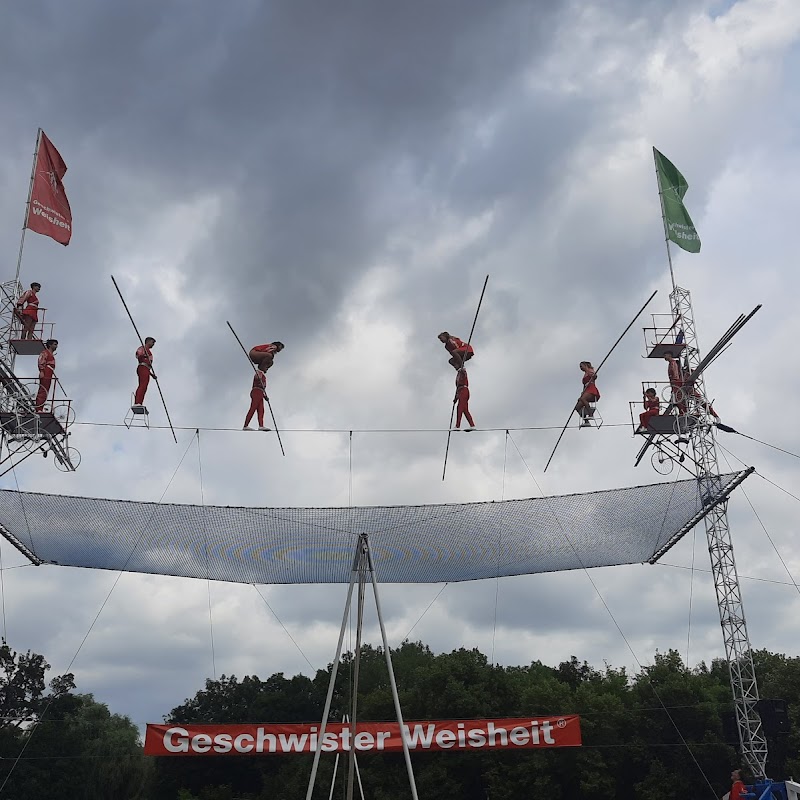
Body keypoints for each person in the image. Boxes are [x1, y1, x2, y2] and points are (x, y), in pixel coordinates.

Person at [133, 337, 156, 409]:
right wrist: (143, 355)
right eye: (152, 342)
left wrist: (152, 375)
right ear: (148, 341)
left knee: (144, 386)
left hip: (146, 369)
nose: (153, 344)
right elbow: (138, 355)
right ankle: (137, 402)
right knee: (142, 385)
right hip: (142, 367)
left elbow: (147, 365)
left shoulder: (148, 350)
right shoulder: (143, 348)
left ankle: (139, 402)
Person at [35, 339, 57, 412]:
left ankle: (41, 407)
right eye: (55, 344)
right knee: (43, 389)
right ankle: (38, 408)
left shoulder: (51, 354)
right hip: (46, 371)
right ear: (50, 345)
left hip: (50, 371)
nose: (56, 346)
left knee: (46, 390)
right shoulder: (45, 352)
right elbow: (41, 361)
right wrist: (41, 371)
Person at [575, 361, 599, 426]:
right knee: (577, 407)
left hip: (591, 389)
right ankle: (586, 421)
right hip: (586, 390)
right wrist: (582, 393)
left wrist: (593, 377)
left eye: (581, 366)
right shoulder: (585, 373)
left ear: (585, 365)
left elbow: (595, 376)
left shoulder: (589, 370)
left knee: (583, 399)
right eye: (580, 367)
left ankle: (591, 414)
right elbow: (584, 386)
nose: (580, 368)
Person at [453, 367, 475, 431]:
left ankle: (457, 426)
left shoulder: (462, 372)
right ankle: (472, 425)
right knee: (465, 410)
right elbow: (458, 388)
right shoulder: (458, 374)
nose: (455, 367)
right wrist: (455, 398)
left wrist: (462, 369)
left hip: (464, 391)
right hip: (461, 392)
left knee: (460, 408)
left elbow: (464, 374)